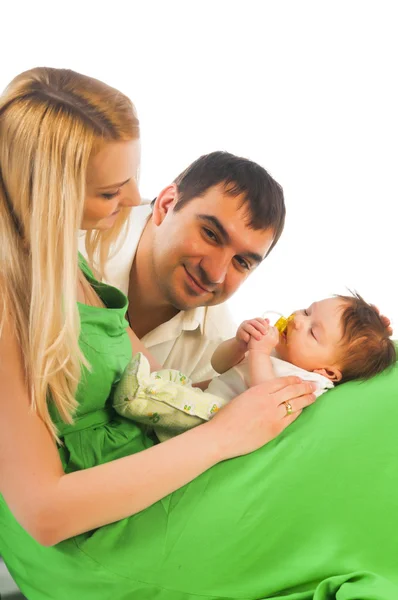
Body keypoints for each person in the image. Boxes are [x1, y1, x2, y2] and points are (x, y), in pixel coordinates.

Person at [0, 67, 317, 599]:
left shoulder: (70, 259)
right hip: (79, 542)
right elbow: (43, 511)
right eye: (110, 190)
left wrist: (341, 342)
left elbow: (175, 399)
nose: (134, 198)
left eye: (242, 261)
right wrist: (224, 436)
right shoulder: (35, 284)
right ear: (54, 194)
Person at [80, 150, 286, 382]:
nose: (215, 274)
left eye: (241, 262)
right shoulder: (73, 239)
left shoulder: (218, 351)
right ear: (166, 205)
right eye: (211, 234)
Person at [113, 293, 396, 440]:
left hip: (215, 420)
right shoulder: (279, 352)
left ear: (327, 371)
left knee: (178, 399)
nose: (298, 320)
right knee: (176, 379)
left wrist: (258, 352)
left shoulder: (307, 382)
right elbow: (218, 365)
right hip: (203, 399)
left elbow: (264, 397)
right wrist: (240, 344)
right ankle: (150, 389)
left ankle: (137, 397)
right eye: (308, 311)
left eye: (313, 332)